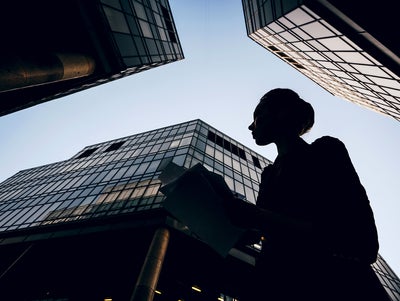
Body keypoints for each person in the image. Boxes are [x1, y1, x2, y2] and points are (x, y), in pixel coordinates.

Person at [223, 88, 389, 301]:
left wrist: (259, 217)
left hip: (338, 287)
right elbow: (269, 232)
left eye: (257, 117)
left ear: (280, 113)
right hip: (279, 287)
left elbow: (360, 242)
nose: (250, 126)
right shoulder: (269, 176)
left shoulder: (326, 151)